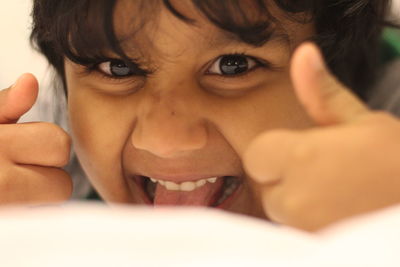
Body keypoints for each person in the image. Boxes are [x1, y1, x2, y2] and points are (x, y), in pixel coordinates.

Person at [0, 0, 399, 231]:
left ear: (343, 77)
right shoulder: (50, 147)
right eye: (118, 69)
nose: (166, 141)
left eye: (233, 66)